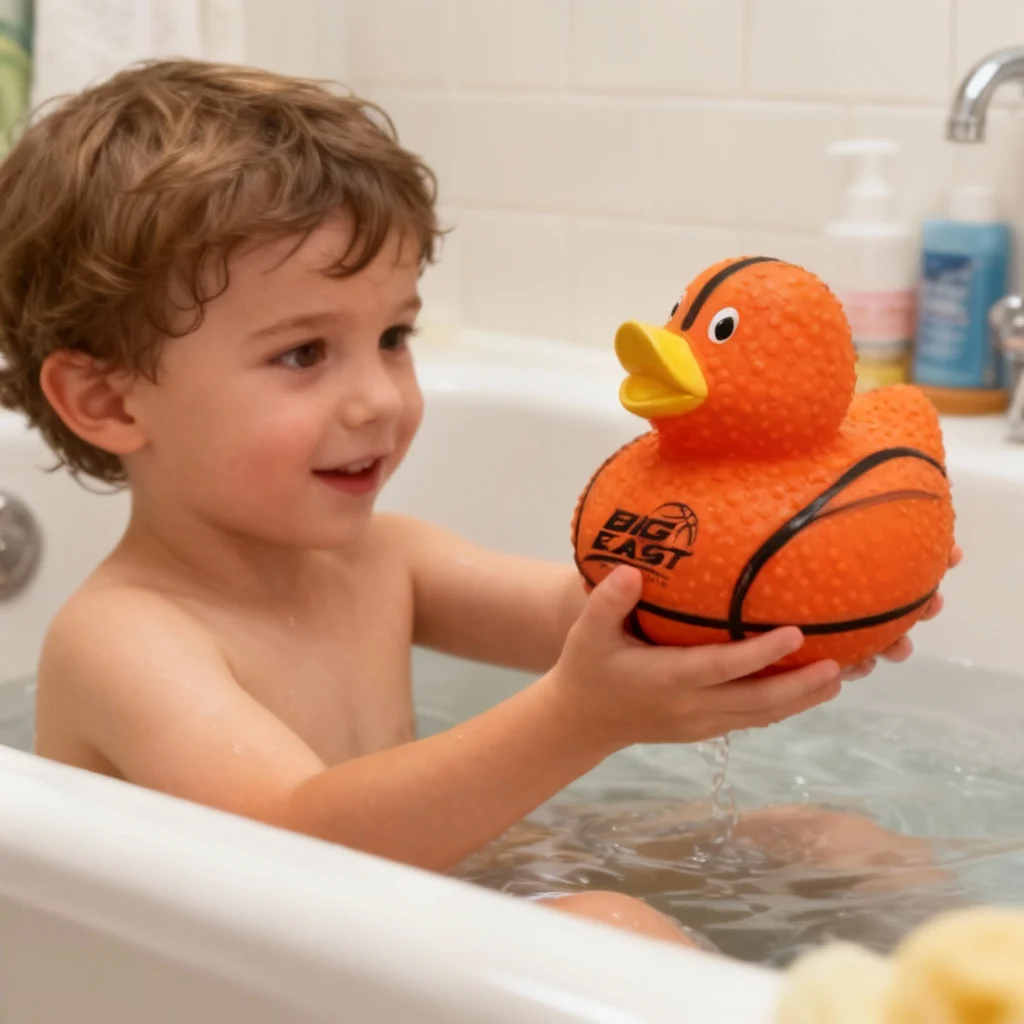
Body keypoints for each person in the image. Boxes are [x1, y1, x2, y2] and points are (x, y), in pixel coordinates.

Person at [0, 59, 957, 949]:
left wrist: (806, 601)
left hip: (426, 891)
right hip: (268, 968)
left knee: (834, 842)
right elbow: (295, 841)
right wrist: (579, 720)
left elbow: (601, 616)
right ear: (110, 401)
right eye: (302, 354)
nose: (379, 396)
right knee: (613, 932)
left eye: (393, 335)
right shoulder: (124, 639)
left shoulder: (384, 558)